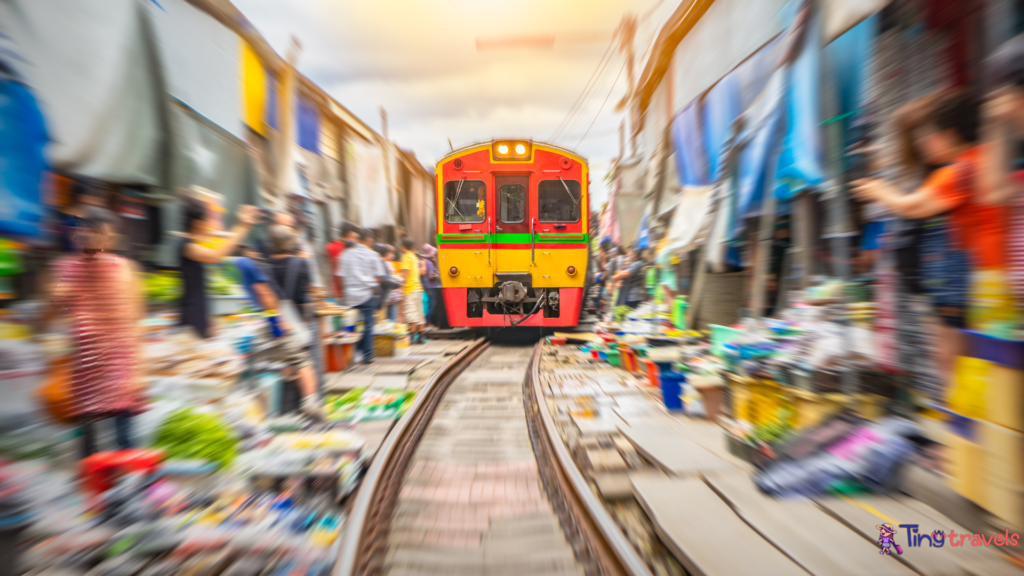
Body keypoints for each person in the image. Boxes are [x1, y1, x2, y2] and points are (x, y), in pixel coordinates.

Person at [853, 91, 1005, 377]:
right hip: (986, 275)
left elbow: (912, 206)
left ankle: (960, 413)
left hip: (984, 277)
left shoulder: (962, 170)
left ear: (948, 135)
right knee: (970, 352)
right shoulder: (979, 158)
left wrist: (878, 191)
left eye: (928, 135)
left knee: (955, 354)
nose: (923, 144)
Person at [43, 207, 144, 457]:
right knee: (89, 447)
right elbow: (48, 314)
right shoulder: (67, 269)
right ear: (79, 235)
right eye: (89, 234)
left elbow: (136, 321)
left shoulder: (125, 269)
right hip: (85, 370)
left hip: (119, 367)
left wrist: (139, 371)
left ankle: (129, 488)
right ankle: (95, 488)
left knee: (126, 441)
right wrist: (58, 299)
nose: (97, 241)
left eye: (103, 236)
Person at [179, 197, 258, 339]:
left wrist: (209, 319)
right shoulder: (188, 247)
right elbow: (217, 254)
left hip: (199, 312)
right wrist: (243, 225)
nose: (210, 224)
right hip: (192, 315)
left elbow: (223, 243)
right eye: (208, 219)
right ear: (198, 223)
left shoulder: (196, 242)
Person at [264, 225, 321, 418]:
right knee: (302, 361)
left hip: (272, 320)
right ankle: (309, 404)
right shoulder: (301, 263)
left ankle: (282, 407)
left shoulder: (264, 265)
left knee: (281, 363)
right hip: (297, 320)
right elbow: (309, 293)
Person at [340, 228, 386, 363]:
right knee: (368, 325)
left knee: (350, 325)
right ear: (370, 240)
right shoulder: (373, 255)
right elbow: (379, 277)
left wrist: (344, 291)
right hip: (367, 294)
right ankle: (367, 355)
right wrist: (370, 282)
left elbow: (340, 276)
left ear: (357, 238)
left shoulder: (346, 254)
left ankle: (351, 355)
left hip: (350, 296)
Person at [398, 237, 426, 343]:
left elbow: (405, 275)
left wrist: (401, 289)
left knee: (411, 315)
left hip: (410, 289)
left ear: (403, 246)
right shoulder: (414, 257)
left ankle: (411, 338)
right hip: (418, 289)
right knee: (419, 314)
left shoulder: (406, 257)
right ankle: (421, 337)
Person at [421, 244, 441, 328]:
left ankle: (426, 323)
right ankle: (428, 323)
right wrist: (436, 275)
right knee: (431, 306)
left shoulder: (424, 261)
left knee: (426, 305)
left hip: (425, 287)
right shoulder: (429, 263)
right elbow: (431, 276)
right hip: (431, 287)